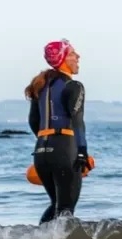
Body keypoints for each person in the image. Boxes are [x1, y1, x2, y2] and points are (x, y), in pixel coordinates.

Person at [26, 40, 89, 223]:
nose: (77, 57)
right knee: (66, 209)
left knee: (56, 205)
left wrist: (47, 142)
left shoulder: (40, 85)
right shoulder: (74, 86)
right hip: (64, 149)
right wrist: (82, 152)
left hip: (41, 152)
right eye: (72, 54)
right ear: (61, 59)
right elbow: (77, 120)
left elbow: (33, 122)